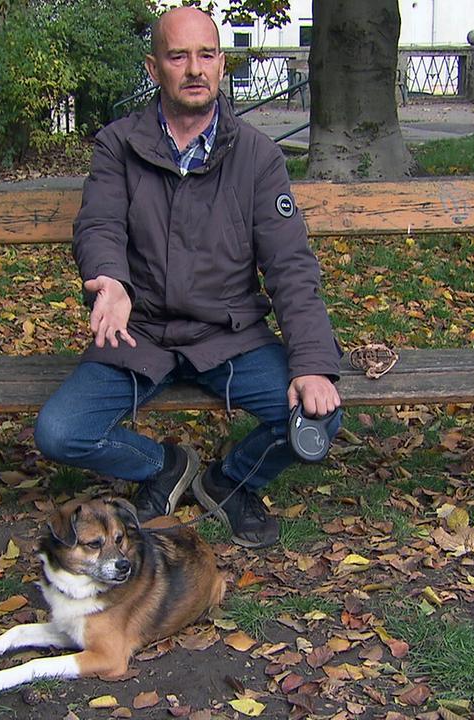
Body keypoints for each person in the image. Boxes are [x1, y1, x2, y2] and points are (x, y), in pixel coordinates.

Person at [34, 6, 341, 548]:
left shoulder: (257, 156)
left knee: (317, 418)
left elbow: (290, 264)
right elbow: (99, 221)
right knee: (60, 432)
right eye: (179, 56)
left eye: (206, 55)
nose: (194, 68)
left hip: (228, 335)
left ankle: (229, 482)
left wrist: (314, 364)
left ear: (222, 64)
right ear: (155, 69)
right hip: (140, 333)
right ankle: (164, 466)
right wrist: (110, 281)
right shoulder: (118, 145)